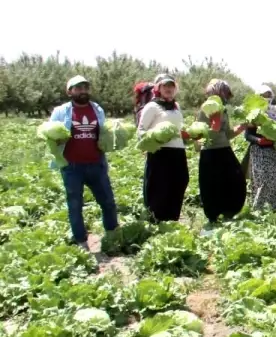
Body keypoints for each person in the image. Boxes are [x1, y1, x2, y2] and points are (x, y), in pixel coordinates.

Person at [47, 75, 120, 246]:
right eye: (78, 88)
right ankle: (80, 240)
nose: (83, 91)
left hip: (96, 163)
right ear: (69, 91)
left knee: (108, 201)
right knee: (75, 204)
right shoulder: (61, 111)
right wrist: (58, 140)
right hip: (71, 166)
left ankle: (112, 235)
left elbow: (103, 133)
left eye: (85, 88)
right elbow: (49, 135)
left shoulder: (97, 109)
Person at [137, 74, 190, 222]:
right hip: (160, 153)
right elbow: (141, 130)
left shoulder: (176, 106)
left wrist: (190, 135)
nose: (168, 89)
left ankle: (172, 219)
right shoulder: (152, 106)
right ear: (158, 88)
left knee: (180, 182)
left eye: (171, 86)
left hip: (178, 152)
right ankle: (157, 220)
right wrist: (155, 137)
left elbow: (178, 130)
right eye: (165, 86)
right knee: (159, 187)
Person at [196, 79, 247, 223]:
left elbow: (227, 134)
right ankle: (213, 217)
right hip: (211, 152)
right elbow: (201, 136)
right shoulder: (207, 108)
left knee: (236, 180)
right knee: (212, 185)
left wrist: (242, 126)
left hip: (224, 149)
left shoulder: (223, 109)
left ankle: (229, 212)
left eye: (226, 93)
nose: (225, 96)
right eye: (223, 92)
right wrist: (214, 126)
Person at [245, 85, 276, 210]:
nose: (266, 98)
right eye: (263, 95)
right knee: (263, 181)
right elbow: (248, 135)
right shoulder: (254, 113)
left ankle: (275, 209)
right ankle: (259, 210)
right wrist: (259, 140)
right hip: (261, 152)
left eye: (269, 95)